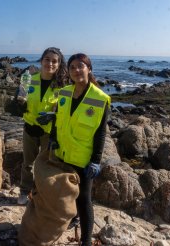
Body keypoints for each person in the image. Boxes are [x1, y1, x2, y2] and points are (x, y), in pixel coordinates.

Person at [47, 53, 110, 245]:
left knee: (84, 200)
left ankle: (86, 241)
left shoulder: (101, 98)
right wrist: (52, 138)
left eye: (80, 66)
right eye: (72, 67)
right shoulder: (64, 92)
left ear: (89, 69)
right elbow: (57, 119)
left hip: (83, 159)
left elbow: (100, 133)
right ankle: (71, 219)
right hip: (63, 153)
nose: (76, 70)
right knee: (66, 193)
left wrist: (96, 160)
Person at [17, 47, 68, 205]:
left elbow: (65, 111)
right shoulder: (29, 79)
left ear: (59, 64)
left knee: (46, 165)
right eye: (47, 60)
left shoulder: (63, 86)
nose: (50, 64)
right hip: (30, 128)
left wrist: (53, 116)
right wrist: (18, 104)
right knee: (28, 164)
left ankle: (42, 192)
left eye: (55, 61)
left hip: (49, 132)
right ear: (41, 60)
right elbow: (20, 100)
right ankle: (25, 191)